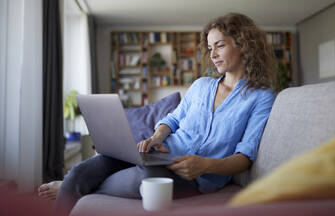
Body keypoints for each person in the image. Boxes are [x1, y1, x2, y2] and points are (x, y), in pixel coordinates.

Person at [39, 12, 276, 215]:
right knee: (83, 168)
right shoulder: (201, 85)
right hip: (161, 154)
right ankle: (75, 181)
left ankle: (73, 185)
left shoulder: (261, 96)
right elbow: (172, 119)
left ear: (244, 44)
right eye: (210, 47)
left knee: (146, 179)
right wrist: (157, 137)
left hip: (197, 178)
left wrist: (206, 165)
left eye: (220, 45)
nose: (212, 54)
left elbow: (245, 157)